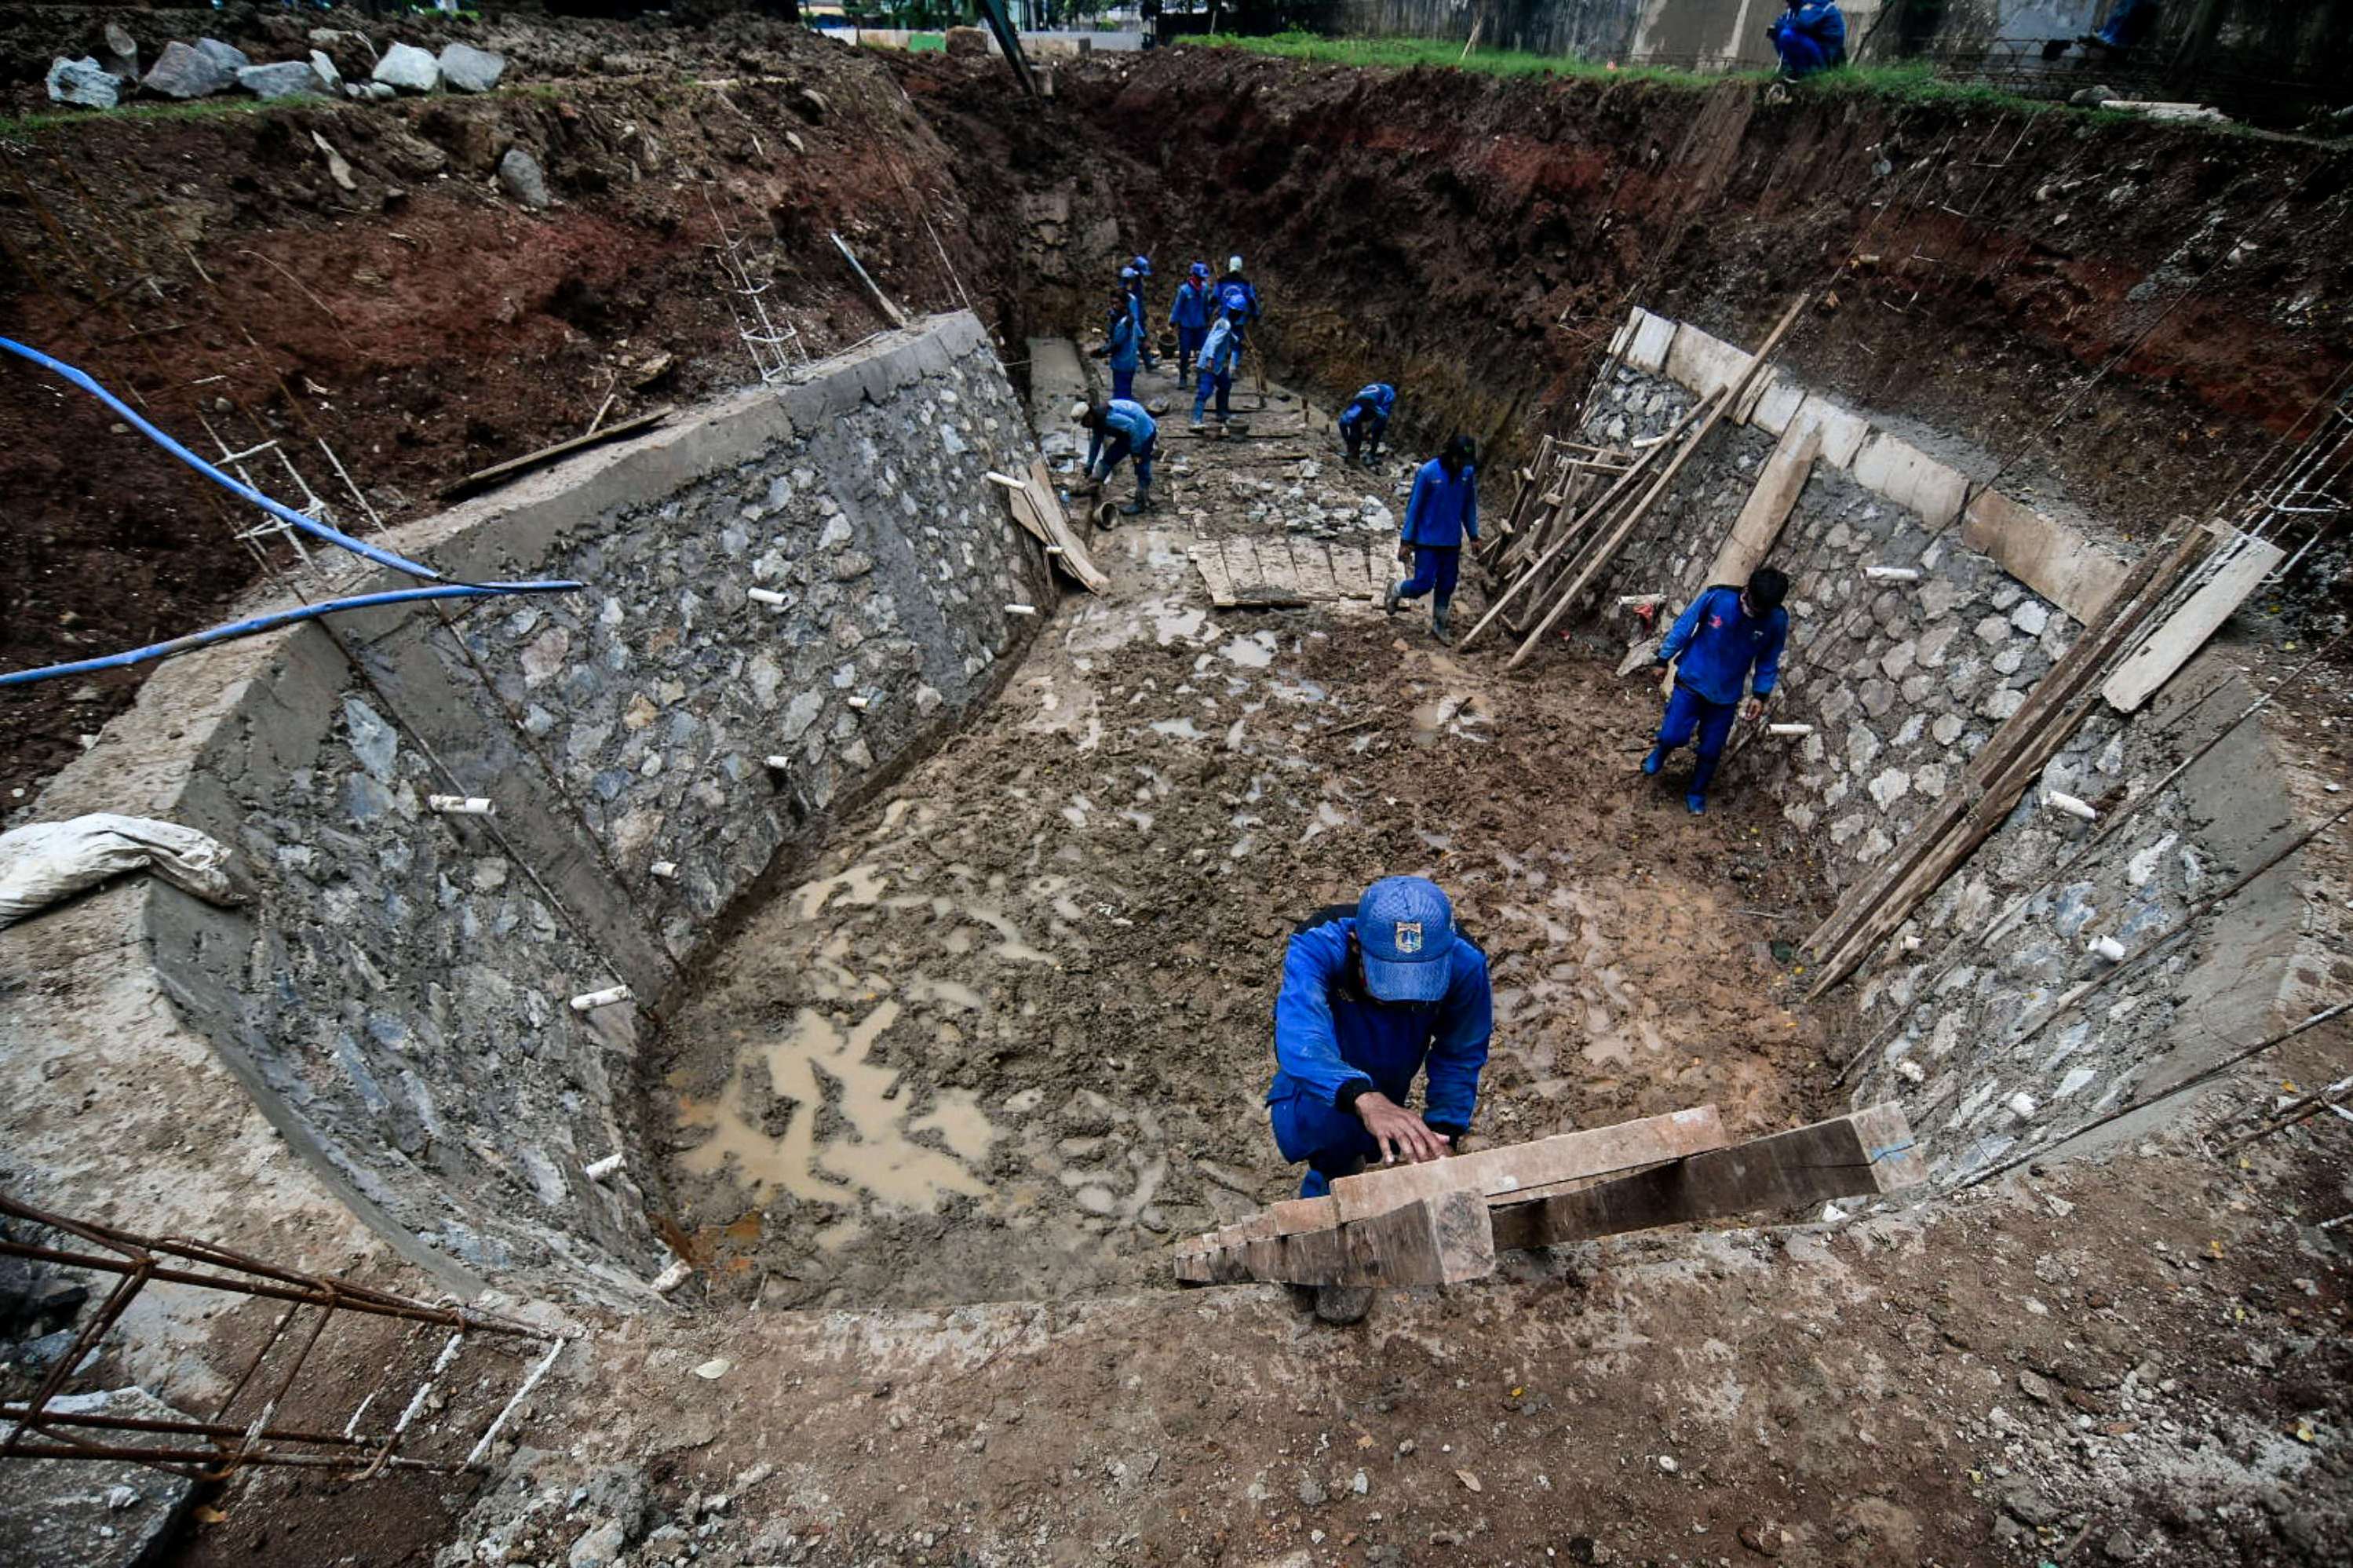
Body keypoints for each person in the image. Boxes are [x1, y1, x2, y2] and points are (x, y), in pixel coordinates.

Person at [1268, 876, 1491, 1205]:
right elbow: (1302, 1037)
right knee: (1330, 1136)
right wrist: (1364, 1098)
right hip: (1338, 1045)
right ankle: (1331, 1179)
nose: (1401, 999)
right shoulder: (1319, 943)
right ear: (1356, 944)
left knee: (1388, 1105)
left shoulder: (1465, 963)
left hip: (1398, 1053)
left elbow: (1460, 1052)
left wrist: (1445, 1130)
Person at [1642, 567, 1790, 815]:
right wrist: (1663, 658)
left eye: (1760, 612)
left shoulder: (1776, 620)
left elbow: (1769, 659)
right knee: (1672, 735)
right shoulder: (1717, 597)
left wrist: (1760, 694)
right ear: (1746, 592)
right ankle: (1661, 753)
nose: (1752, 613)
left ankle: (1696, 791)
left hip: (1726, 695)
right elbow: (1685, 626)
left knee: (1711, 750)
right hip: (1691, 679)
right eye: (1751, 605)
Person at [1385, 436, 1479, 644]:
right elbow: (1414, 508)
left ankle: (1440, 623)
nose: (1462, 465)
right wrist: (1406, 541)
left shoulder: (1467, 474)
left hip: (1452, 541)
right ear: (1451, 456)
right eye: (1460, 460)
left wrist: (1473, 535)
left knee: (1447, 584)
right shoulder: (1428, 473)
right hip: (1427, 541)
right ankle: (1397, 589)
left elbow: (1469, 506)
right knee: (1423, 584)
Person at [1075, 397, 1156, 517]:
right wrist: (1090, 464)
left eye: (1083, 422)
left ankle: (1140, 503)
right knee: (1109, 458)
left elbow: (1132, 426)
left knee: (1141, 468)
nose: (1083, 426)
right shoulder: (1098, 420)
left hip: (1143, 433)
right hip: (1127, 435)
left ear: (1089, 416)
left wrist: (1136, 451)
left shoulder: (1109, 418)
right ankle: (1095, 483)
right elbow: (1096, 442)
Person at [1191, 305, 1245, 428]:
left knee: (1225, 385)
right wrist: (1210, 359)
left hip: (1218, 365)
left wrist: (1235, 341)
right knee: (1205, 391)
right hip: (1210, 364)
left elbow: (1228, 339)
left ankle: (1222, 413)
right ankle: (1196, 420)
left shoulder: (1225, 323)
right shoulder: (1225, 325)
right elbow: (1213, 342)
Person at [1766, 1, 1847, 79]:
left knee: (1787, 35)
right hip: (1816, 48)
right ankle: (1790, 69)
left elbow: (1803, 23)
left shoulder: (1818, 2)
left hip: (1826, 55)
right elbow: (1781, 24)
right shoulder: (1795, 7)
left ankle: (1808, 73)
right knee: (1778, 33)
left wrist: (1781, 27)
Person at [1169, 261, 1213, 388]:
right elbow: (1178, 307)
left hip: (1201, 326)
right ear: (1193, 276)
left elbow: (1206, 306)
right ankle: (1183, 377)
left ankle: (1200, 377)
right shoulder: (1184, 290)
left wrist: (1208, 318)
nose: (1201, 280)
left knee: (1203, 353)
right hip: (1186, 326)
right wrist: (1173, 321)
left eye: (1202, 278)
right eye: (1199, 278)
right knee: (1185, 353)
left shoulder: (1204, 289)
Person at [1100, 283, 1142, 403]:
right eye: (1112, 303)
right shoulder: (1129, 318)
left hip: (1123, 362)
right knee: (1125, 391)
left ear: (1124, 303)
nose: (1113, 306)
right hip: (1129, 361)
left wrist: (1100, 352)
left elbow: (1116, 345)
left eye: (1116, 303)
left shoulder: (1123, 323)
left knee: (1120, 396)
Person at [1337, 383, 1395, 467]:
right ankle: (1354, 453)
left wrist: (1372, 432)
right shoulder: (1347, 417)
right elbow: (1346, 428)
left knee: (1379, 425)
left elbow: (1383, 417)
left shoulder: (1379, 402)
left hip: (1384, 395)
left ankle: (1372, 454)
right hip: (1367, 399)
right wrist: (1349, 443)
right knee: (1355, 426)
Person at [1217, 254, 1260, 337]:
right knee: (1236, 343)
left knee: (1223, 343)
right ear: (1241, 267)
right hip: (1239, 320)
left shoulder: (1222, 282)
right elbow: (1252, 300)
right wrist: (1256, 314)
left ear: (1230, 266)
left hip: (1225, 318)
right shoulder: (1246, 284)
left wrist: (1207, 313)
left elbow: (1214, 299)